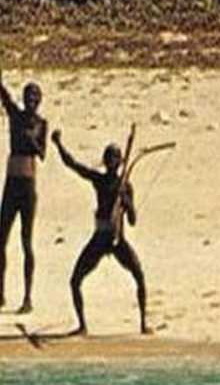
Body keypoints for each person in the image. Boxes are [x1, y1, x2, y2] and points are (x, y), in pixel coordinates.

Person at [51, 129, 150, 335]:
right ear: (105, 162)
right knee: (75, 280)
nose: (112, 162)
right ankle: (82, 325)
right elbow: (73, 165)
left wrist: (127, 201)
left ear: (120, 162)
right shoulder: (100, 180)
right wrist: (58, 144)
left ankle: (143, 324)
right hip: (100, 239)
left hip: (117, 239)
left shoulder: (126, 186)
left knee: (139, 275)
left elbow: (132, 220)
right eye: (109, 158)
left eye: (116, 158)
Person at [0, 79, 47, 313]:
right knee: (1, 239)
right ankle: (0, 293)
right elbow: (4, 95)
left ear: (38, 102)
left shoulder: (41, 124)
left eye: (34, 99)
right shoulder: (15, 116)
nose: (30, 102)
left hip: (28, 184)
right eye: (27, 97)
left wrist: (32, 140)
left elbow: (42, 153)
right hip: (11, 182)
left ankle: (28, 297)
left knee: (26, 241)